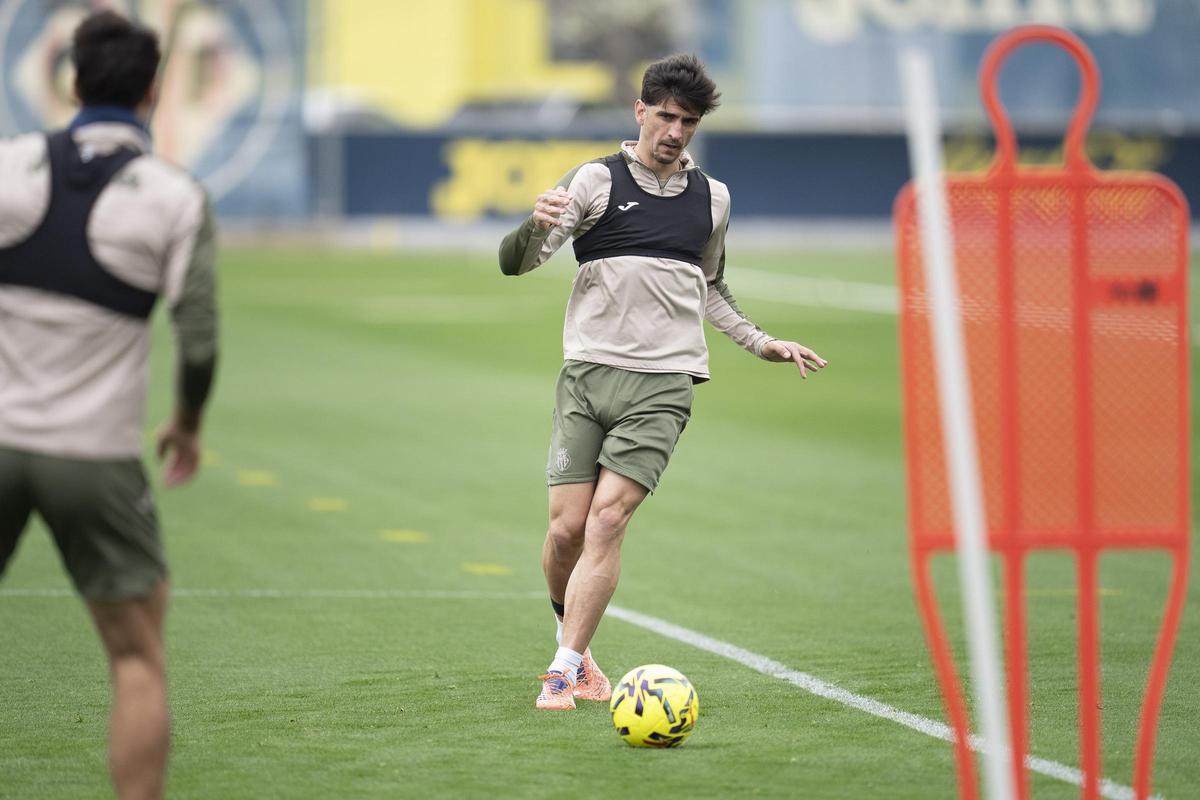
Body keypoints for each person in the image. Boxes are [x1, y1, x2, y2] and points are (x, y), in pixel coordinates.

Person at [498, 54, 826, 710]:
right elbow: (516, 263)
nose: (676, 131)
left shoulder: (713, 199)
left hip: (662, 386)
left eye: (690, 122)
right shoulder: (594, 180)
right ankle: (577, 648)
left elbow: (712, 287)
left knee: (607, 520)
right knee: (565, 531)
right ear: (641, 111)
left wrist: (760, 342)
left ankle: (562, 670)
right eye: (667, 116)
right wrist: (536, 223)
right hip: (586, 377)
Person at [0, 11, 217, 799]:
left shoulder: (9, 164)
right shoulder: (173, 195)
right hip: (92, 456)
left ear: (70, 83)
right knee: (135, 656)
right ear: (153, 91)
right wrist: (185, 426)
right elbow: (198, 341)